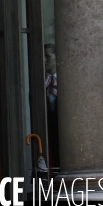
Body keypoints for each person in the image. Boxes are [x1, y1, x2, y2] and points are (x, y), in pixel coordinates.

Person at [44, 43, 59, 171]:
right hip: (46, 137)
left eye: (47, 57)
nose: (44, 61)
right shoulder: (39, 82)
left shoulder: (67, 81)